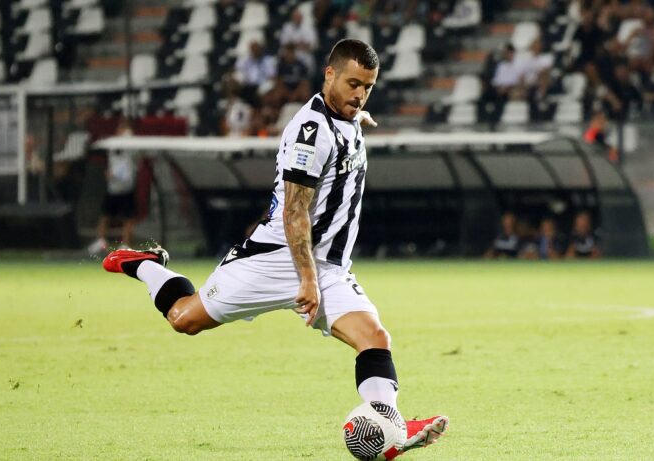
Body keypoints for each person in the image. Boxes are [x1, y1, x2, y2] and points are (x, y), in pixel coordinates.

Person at [101, 39, 448, 456]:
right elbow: (294, 213)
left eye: (368, 87)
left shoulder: (346, 116)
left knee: (374, 337)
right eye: (353, 84)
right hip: (275, 259)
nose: (360, 95)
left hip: (328, 267)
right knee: (184, 319)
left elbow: (345, 121)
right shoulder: (311, 133)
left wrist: (358, 114)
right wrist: (307, 279)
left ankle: (393, 428)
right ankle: (146, 264)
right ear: (330, 74)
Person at [88, 119, 138, 255]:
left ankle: (126, 244)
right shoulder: (112, 146)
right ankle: (101, 242)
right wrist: (109, 173)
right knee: (105, 216)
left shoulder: (132, 146)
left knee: (128, 218)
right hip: (113, 188)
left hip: (127, 188)